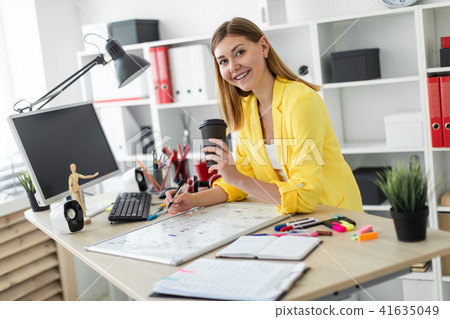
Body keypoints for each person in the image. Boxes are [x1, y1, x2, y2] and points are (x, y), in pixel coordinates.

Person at [164, 17, 363, 215]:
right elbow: (239, 181)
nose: (233, 67)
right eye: (223, 61)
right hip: (293, 218)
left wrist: (237, 178)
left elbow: (305, 195)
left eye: (240, 52)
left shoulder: (301, 101)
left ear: (263, 47)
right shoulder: (247, 109)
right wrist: (192, 200)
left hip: (333, 216)